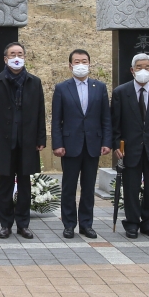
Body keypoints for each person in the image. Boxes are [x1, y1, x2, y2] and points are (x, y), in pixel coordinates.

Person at [0, 42, 47, 239]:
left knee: (24, 184)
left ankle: (23, 223)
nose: (16, 57)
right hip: (4, 141)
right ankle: (5, 224)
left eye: (20, 53)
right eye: (12, 53)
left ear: (25, 57)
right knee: (4, 183)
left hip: (27, 141)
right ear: (5, 59)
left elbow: (40, 112)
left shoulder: (34, 82)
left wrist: (40, 138)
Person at [51, 48, 111, 239]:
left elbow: (106, 118)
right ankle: (69, 224)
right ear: (70, 66)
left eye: (84, 61)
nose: (80, 65)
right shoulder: (62, 88)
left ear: (90, 64)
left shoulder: (99, 87)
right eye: (76, 62)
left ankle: (86, 224)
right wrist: (57, 144)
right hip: (70, 145)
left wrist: (106, 141)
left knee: (88, 186)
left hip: (93, 144)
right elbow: (56, 120)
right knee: (69, 187)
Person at [110, 53, 149, 238]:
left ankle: (148, 222)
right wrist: (116, 146)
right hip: (130, 148)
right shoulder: (121, 92)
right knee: (131, 187)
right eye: (139, 67)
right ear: (132, 70)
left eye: (146, 67)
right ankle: (132, 223)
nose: (143, 70)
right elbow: (115, 124)